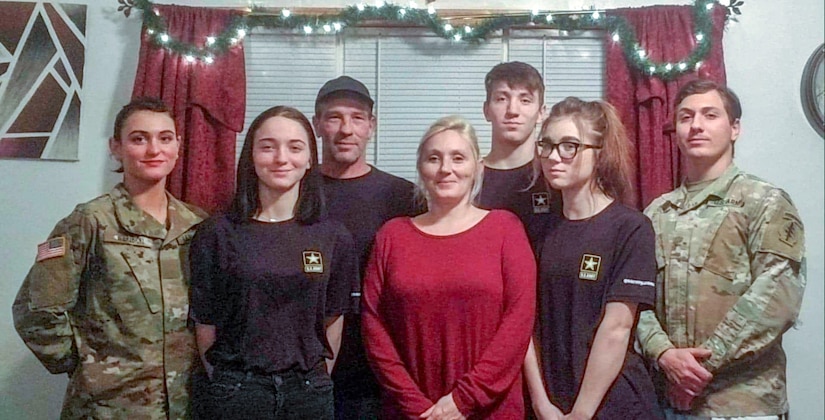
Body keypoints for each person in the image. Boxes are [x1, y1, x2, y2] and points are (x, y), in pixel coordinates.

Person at [12, 98, 207, 418]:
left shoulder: (197, 225)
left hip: (184, 405)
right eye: (139, 138)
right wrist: (87, 366)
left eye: (165, 138)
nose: (154, 149)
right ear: (115, 148)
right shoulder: (89, 221)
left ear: (178, 146)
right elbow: (36, 310)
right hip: (108, 408)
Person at [636, 79, 806, 419]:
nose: (696, 125)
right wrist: (665, 356)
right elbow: (635, 299)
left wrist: (695, 370)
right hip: (667, 402)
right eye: (686, 117)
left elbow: (777, 297)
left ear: (734, 129)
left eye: (710, 115)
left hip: (743, 404)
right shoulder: (656, 212)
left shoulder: (764, 202)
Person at [189, 106, 360, 419]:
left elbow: (334, 317)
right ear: (251, 157)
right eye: (268, 146)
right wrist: (227, 381)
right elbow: (205, 320)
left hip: (309, 392)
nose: (282, 158)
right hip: (236, 391)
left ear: (310, 160)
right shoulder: (217, 232)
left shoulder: (333, 236)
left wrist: (317, 377)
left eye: (295, 147)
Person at [362, 116, 536, 419]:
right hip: (412, 412)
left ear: (478, 167)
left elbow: (518, 322)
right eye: (434, 158)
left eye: (458, 158)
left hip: (490, 409)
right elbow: (373, 326)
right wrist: (416, 406)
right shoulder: (392, 236)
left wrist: (464, 399)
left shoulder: (505, 229)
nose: (446, 169)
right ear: (421, 168)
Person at [523, 97, 662, 420]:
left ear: (598, 152)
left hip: (613, 405)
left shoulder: (630, 228)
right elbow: (523, 323)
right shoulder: (536, 228)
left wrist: (581, 413)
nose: (554, 156)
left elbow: (617, 327)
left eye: (569, 146)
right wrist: (541, 403)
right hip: (550, 406)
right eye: (547, 144)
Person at [312, 75, 421, 419]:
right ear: (317, 125)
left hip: (379, 369)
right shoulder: (294, 190)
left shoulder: (403, 197)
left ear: (371, 126)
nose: (346, 129)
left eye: (357, 118)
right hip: (307, 363)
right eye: (334, 117)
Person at [478, 61, 557, 243]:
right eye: (501, 99)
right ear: (486, 110)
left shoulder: (555, 174)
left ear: (541, 113)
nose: (513, 111)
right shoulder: (467, 178)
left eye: (525, 100)